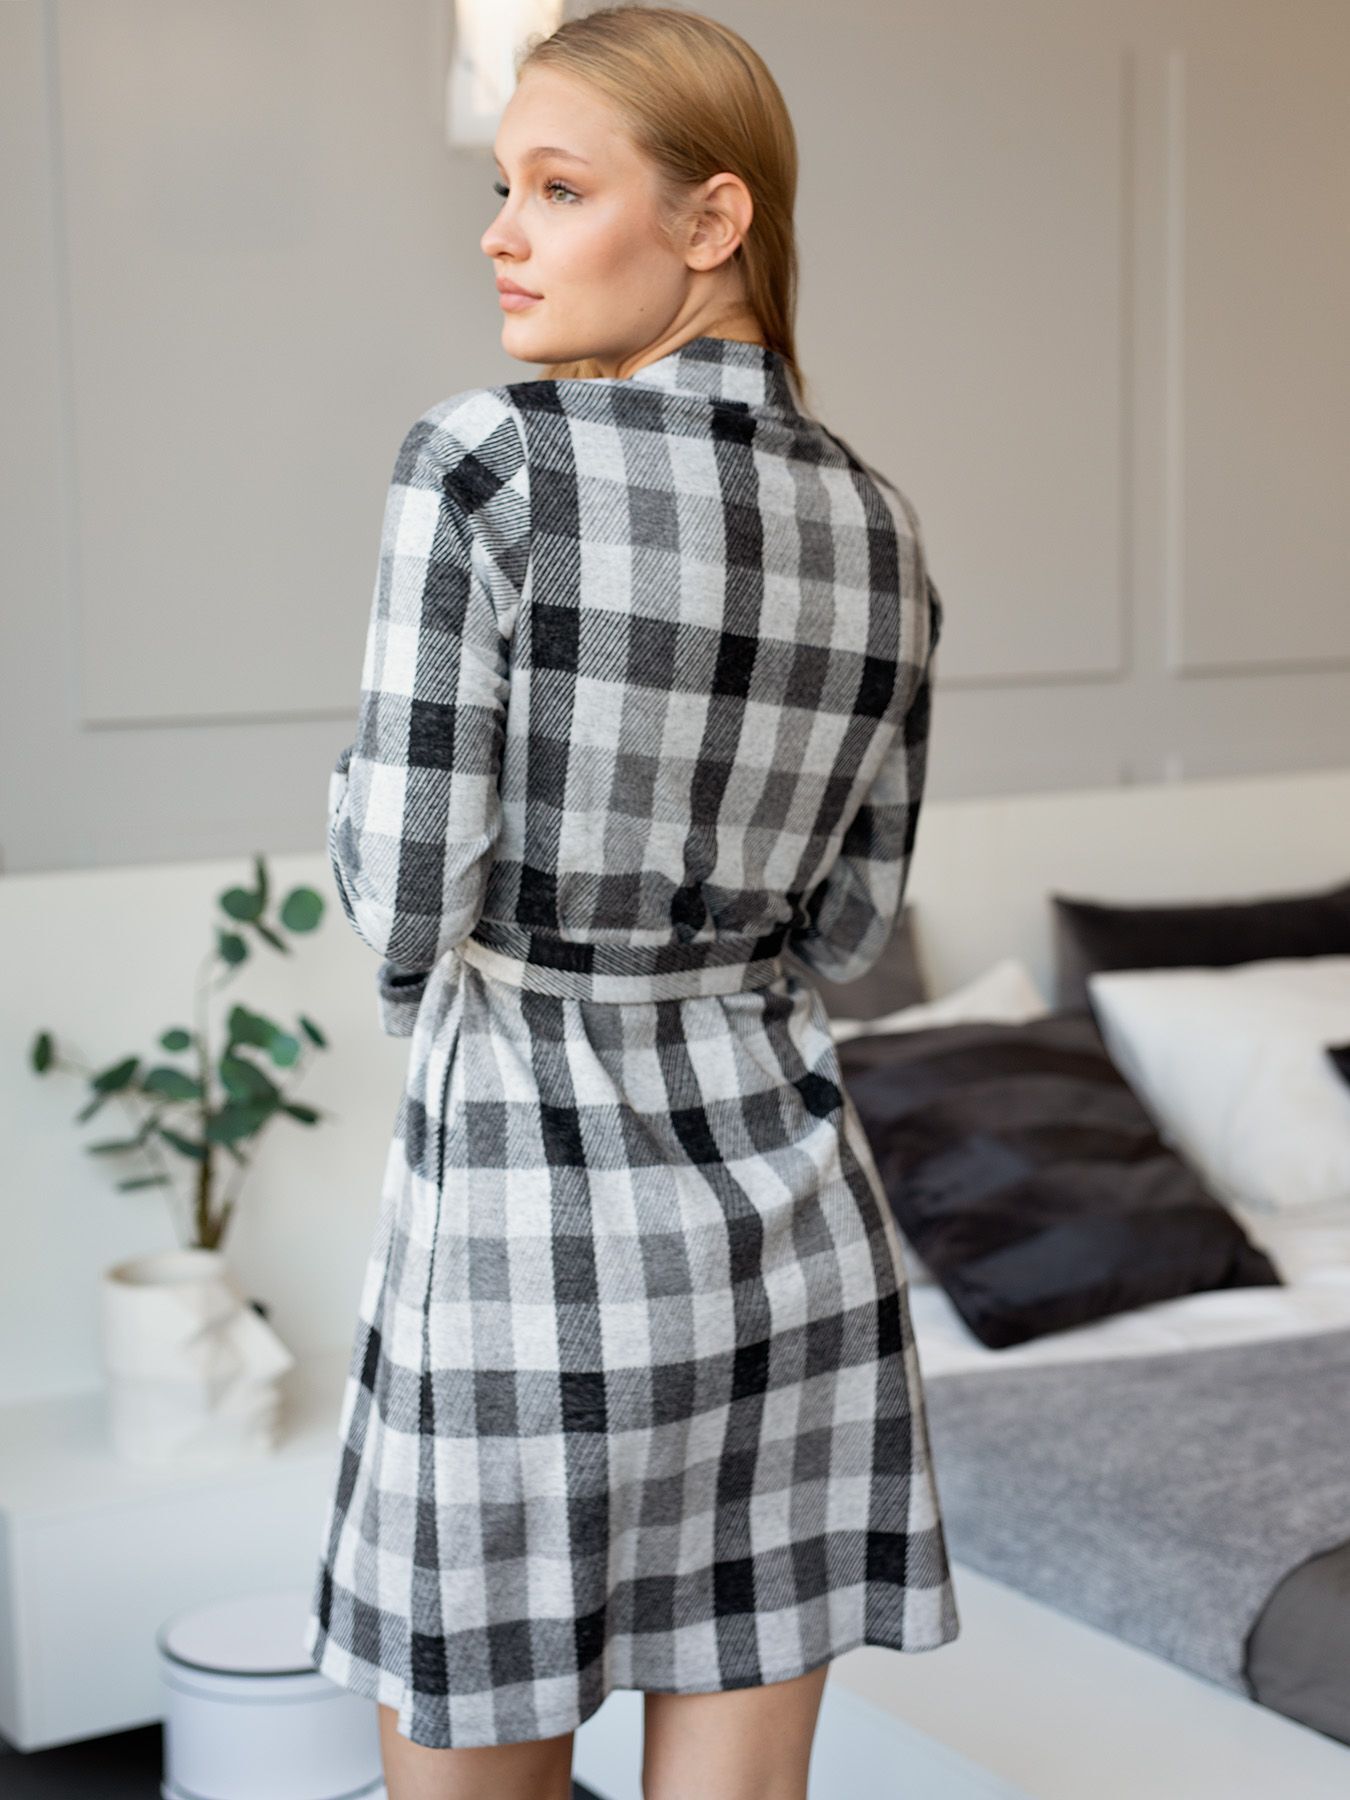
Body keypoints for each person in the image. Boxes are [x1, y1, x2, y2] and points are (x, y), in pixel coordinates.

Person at [304, 7, 959, 1796]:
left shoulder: (485, 462)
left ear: (710, 218)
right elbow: (851, 931)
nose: (501, 235)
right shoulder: (884, 527)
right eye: (502, 189)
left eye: (557, 188)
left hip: (528, 1218)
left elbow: (404, 899)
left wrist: (357, 790)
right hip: (788, 1223)